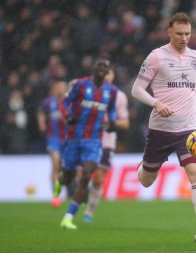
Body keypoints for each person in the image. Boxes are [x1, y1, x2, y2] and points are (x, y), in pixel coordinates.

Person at [131, 12, 196, 243]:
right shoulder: (156, 57)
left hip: (189, 130)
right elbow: (136, 89)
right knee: (146, 181)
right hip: (161, 129)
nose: (184, 38)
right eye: (179, 34)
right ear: (169, 32)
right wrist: (156, 102)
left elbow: (195, 79)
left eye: (187, 34)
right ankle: (143, 166)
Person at [54, 58, 117, 230]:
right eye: (99, 65)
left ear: (108, 71)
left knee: (87, 175)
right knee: (68, 176)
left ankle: (68, 217)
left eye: (106, 66)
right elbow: (63, 103)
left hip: (94, 140)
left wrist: (112, 121)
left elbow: (111, 109)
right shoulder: (80, 85)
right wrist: (68, 116)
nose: (102, 69)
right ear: (94, 69)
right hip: (74, 137)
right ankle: (60, 181)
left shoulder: (111, 91)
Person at [83, 69, 130, 223]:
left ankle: (89, 211)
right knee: (82, 175)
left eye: (109, 73)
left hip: (107, 142)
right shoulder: (88, 92)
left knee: (98, 178)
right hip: (88, 139)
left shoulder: (120, 96)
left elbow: (125, 123)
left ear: (113, 75)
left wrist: (109, 122)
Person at [37, 80, 67, 207]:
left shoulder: (69, 102)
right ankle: (55, 196)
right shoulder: (49, 102)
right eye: (59, 87)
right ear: (55, 88)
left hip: (68, 139)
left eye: (63, 87)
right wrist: (42, 122)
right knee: (55, 162)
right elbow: (41, 112)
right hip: (53, 138)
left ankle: (67, 191)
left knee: (63, 168)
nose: (61, 89)